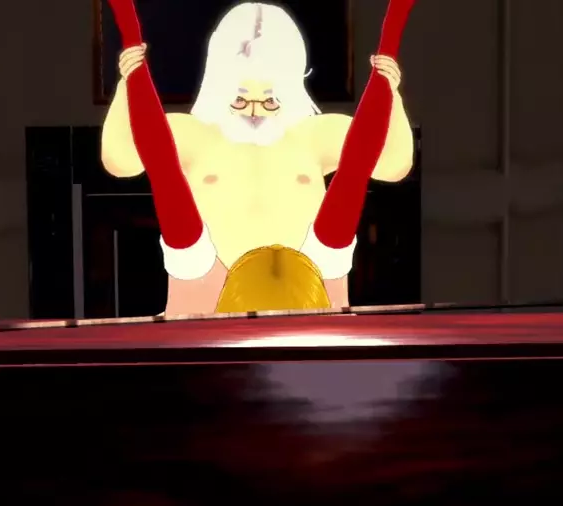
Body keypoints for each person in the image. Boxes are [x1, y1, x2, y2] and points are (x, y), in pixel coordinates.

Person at [102, 0, 416, 315]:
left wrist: (391, 90)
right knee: (184, 235)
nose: (254, 110)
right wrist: (127, 83)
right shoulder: (194, 134)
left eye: (269, 100)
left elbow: (393, 165)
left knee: (342, 210)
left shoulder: (314, 134)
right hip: (202, 288)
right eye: (240, 99)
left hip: (310, 281)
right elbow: (120, 160)